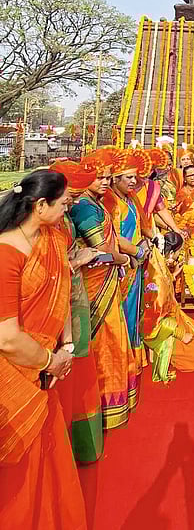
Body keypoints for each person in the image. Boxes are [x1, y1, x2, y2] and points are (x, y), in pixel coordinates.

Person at [0, 170, 88, 530]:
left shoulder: (52, 238)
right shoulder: (6, 253)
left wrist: (65, 346)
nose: (70, 208)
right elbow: (5, 337)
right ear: (40, 205)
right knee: (19, 470)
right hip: (14, 372)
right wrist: (51, 361)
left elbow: (62, 289)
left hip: (46, 366)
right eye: (65, 202)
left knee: (47, 458)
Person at [71, 149, 138, 430]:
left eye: (108, 178)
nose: (105, 182)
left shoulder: (97, 204)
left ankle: (113, 403)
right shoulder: (85, 207)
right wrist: (127, 257)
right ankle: (103, 405)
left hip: (108, 279)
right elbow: (101, 250)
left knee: (113, 339)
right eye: (99, 178)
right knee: (105, 341)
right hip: (96, 282)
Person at [50, 159, 104, 464]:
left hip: (75, 300)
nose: (73, 203)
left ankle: (78, 445)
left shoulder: (65, 218)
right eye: (70, 197)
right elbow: (49, 274)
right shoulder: (45, 230)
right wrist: (77, 261)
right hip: (58, 308)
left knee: (79, 365)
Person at [102, 147, 152, 374]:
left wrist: (154, 240)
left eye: (135, 177)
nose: (134, 181)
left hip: (135, 265)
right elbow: (113, 235)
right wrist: (136, 252)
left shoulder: (130, 199)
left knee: (134, 309)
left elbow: (142, 226)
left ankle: (132, 357)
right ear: (115, 179)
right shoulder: (111, 202)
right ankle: (121, 362)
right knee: (121, 312)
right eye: (129, 177)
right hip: (121, 266)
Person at [143, 235, 194, 382]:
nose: (178, 256)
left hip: (172, 316)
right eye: (178, 252)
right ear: (170, 252)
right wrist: (181, 335)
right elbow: (154, 319)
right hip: (164, 328)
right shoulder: (158, 279)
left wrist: (173, 275)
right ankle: (156, 349)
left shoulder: (157, 262)